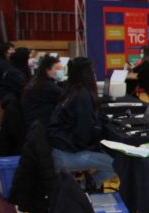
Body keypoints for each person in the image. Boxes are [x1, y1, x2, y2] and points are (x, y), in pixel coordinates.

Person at [47, 57, 116, 189]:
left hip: (60, 149)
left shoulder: (71, 90)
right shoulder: (82, 95)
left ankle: (81, 188)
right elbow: (83, 135)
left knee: (105, 155)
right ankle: (82, 190)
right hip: (67, 155)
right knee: (117, 164)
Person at [22, 55, 64, 132]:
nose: (60, 71)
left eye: (61, 69)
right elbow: (64, 96)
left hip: (35, 123)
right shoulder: (46, 86)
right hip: (40, 127)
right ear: (47, 70)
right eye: (57, 69)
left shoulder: (38, 81)